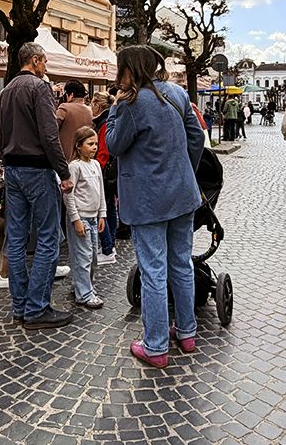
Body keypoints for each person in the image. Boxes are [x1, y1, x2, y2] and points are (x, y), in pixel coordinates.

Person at [106, 45, 206, 368]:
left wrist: (114, 108)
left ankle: (156, 346)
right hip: (183, 193)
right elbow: (198, 137)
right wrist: (183, 170)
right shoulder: (176, 93)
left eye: (120, 68)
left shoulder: (132, 102)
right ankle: (187, 333)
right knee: (182, 263)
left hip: (149, 200)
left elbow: (112, 144)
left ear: (130, 69)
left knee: (153, 270)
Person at [0, 43, 75, 330]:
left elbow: (0, 132)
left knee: (16, 238)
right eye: (44, 60)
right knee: (47, 237)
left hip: (12, 168)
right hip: (36, 168)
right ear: (34, 60)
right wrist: (64, 171)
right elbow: (49, 134)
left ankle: (20, 307)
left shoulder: (6, 90)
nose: (47, 65)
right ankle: (37, 308)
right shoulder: (39, 87)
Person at [63, 126, 105, 309]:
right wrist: (75, 219)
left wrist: (102, 214)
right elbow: (68, 195)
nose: (94, 147)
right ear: (79, 146)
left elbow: (101, 191)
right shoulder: (74, 167)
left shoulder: (95, 165)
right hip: (80, 219)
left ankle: (82, 286)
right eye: (90, 144)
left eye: (96, 143)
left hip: (93, 218)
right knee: (83, 256)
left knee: (93, 256)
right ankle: (84, 294)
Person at [90, 92, 119, 264]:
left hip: (104, 173)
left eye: (93, 104)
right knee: (110, 208)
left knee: (103, 210)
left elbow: (103, 152)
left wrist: (96, 171)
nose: (91, 108)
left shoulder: (103, 123)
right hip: (111, 174)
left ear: (99, 106)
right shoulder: (109, 120)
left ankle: (107, 248)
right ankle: (110, 245)